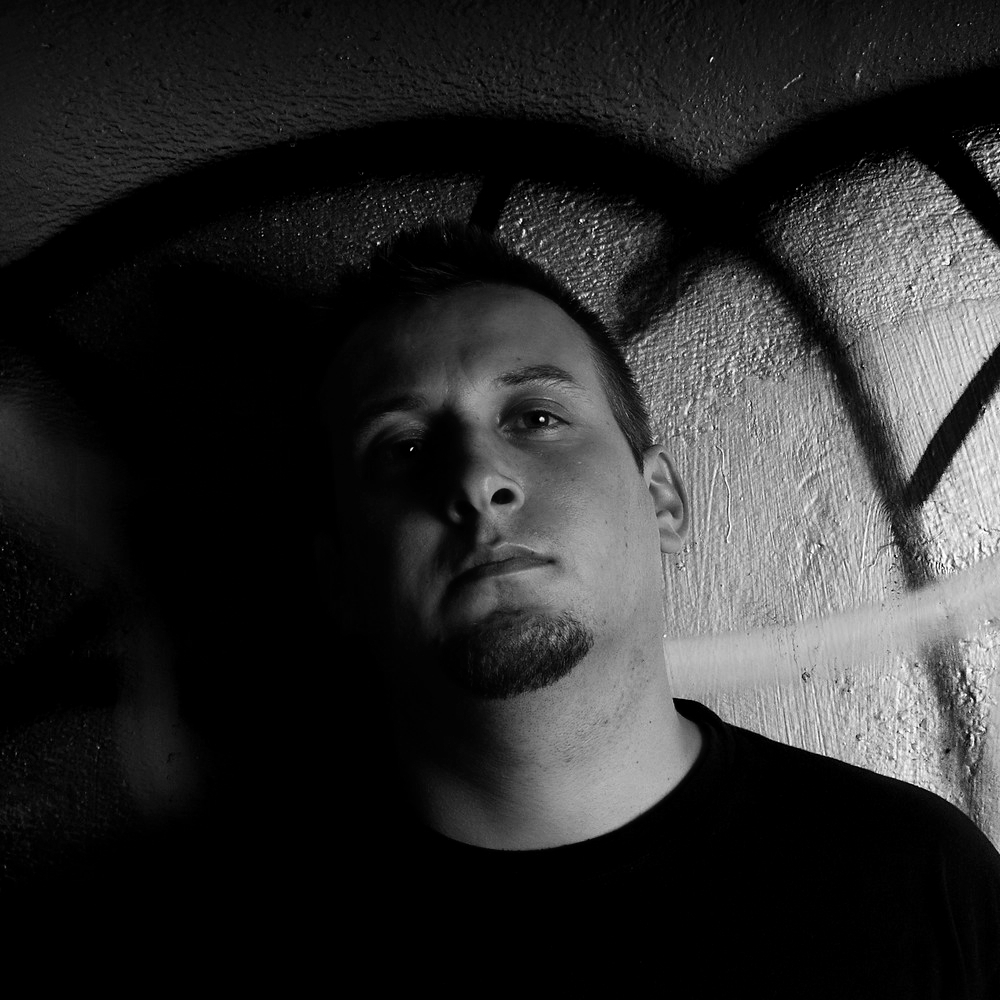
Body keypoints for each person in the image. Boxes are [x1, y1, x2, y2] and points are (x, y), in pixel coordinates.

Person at [317, 220, 1000, 994]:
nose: (476, 479)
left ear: (663, 502)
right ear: (337, 579)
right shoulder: (228, 942)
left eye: (535, 418)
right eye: (403, 448)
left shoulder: (924, 885)